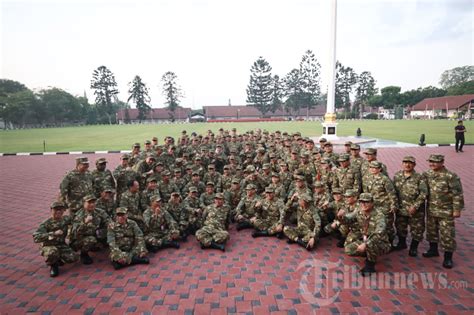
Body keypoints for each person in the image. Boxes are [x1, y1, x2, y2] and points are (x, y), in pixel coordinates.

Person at [422, 154, 464, 269]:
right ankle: (433, 250)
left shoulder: (450, 176)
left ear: (442, 162)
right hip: (431, 209)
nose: (432, 164)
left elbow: (457, 194)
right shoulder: (427, 174)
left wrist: (457, 209)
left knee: (447, 234)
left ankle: (448, 258)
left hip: (446, 211)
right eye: (430, 161)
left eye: (435, 162)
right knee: (431, 231)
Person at [341, 193, 391, 276]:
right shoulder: (359, 211)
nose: (363, 204)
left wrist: (365, 244)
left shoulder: (379, 215)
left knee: (370, 243)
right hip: (365, 238)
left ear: (372, 203)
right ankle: (369, 254)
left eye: (366, 202)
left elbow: (379, 233)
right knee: (348, 249)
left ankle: (370, 266)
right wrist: (341, 217)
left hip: (380, 242)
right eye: (361, 202)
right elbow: (349, 219)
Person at [392, 156, 427, 256]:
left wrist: (415, 206)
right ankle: (402, 243)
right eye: (405, 162)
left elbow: (424, 193)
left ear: (414, 165)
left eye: (410, 163)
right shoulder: (397, 175)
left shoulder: (419, 177)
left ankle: (413, 247)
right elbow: (393, 191)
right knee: (400, 227)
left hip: (415, 210)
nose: (407, 165)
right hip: (401, 208)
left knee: (417, 229)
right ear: (402, 164)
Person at [33, 201, 79, 277]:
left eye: (60, 209)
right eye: (56, 209)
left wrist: (73, 228)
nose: (58, 211)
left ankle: (59, 259)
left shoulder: (65, 219)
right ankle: (53, 266)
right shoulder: (46, 223)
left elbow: (76, 221)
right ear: (51, 210)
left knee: (73, 258)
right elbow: (36, 237)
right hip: (49, 246)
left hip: (61, 245)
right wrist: (53, 234)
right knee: (52, 252)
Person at [70, 195, 110, 264]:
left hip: (94, 234)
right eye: (89, 202)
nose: (92, 204)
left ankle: (98, 245)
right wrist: (85, 223)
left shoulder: (99, 212)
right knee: (91, 240)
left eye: (93, 202)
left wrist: (109, 227)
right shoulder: (78, 216)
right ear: (84, 203)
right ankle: (84, 254)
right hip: (80, 239)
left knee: (106, 232)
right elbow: (75, 232)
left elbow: (108, 221)